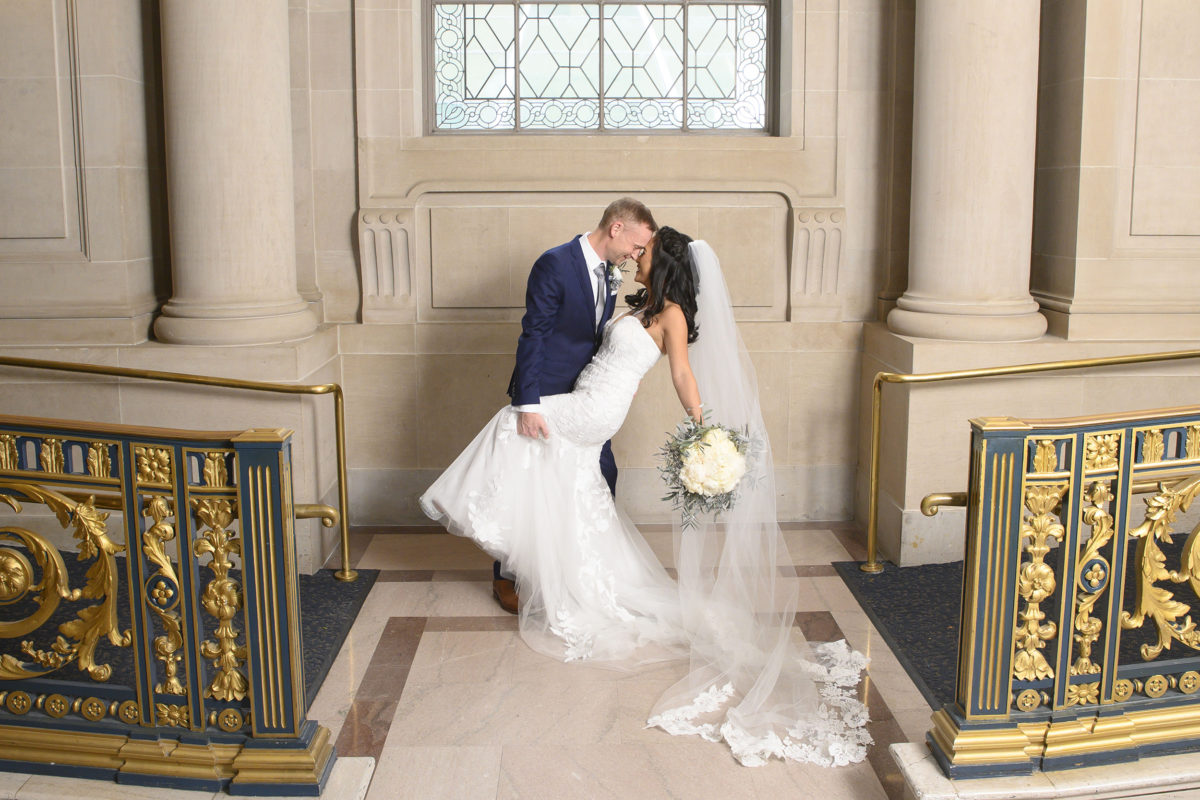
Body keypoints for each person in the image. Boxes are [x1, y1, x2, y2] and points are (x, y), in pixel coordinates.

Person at [421, 228, 871, 767]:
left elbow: (681, 371)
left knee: (515, 419)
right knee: (571, 489)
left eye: (644, 253)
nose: (636, 257)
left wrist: (703, 426)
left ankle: (490, 522)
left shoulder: (673, 312)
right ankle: (555, 564)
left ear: (663, 262)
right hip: (591, 395)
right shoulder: (644, 303)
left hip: (596, 410)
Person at [494, 198, 657, 613]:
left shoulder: (612, 272)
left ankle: (582, 568)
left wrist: (618, 379)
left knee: (599, 477)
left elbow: (599, 335)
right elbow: (533, 334)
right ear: (617, 227)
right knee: (528, 480)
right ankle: (508, 574)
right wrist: (528, 403)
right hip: (547, 393)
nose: (636, 257)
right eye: (637, 246)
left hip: (588, 398)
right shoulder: (555, 263)